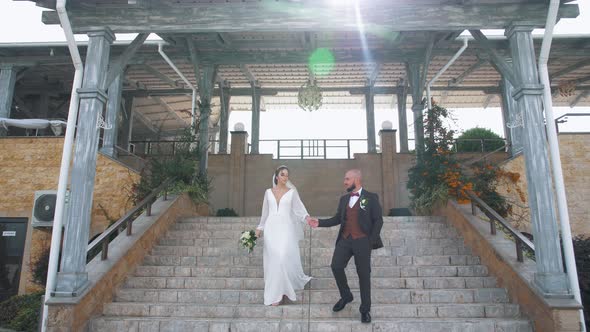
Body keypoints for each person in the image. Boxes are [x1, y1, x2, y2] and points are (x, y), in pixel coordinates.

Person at [308, 169, 383, 323]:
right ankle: (346, 295)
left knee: (363, 275)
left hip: (363, 240)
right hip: (345, 239)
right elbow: (337, 219)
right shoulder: (344, 199)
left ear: (357, 179)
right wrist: (320, 223)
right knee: (336, 266)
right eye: (345, 179)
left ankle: (365, 310)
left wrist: (371, 241)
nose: (345, 182)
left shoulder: (371, 197)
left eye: (347, 179)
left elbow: (378, 220)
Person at [256, 165, 315, 306]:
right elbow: (265, 213)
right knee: (274, 259)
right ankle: (276, 294)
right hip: (271, 228)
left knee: (282, 256)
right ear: (276, 177)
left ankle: (283, 290)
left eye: (287, 175)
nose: (285, 177)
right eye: (282, 174)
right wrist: (259, 228)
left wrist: (307, 218)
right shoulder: (268, 192)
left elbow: (299, 209)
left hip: (286, 228)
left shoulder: (291, 192)